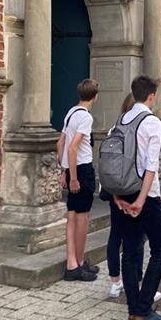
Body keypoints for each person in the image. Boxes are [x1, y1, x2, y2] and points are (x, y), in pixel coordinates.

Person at [113, 75, 161, 320]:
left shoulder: (122, 119)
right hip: (145, 195)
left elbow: (114, 159)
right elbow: (151, 165)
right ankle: (144, 310)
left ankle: (133, 310)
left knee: (130, 251)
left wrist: (118, 195)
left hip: (124, 192)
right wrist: (141, 199)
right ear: (151, 96)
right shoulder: (151, 122)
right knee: (160, 249)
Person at [56, 78, 100, 282]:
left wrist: (63, 169)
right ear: (95, 96)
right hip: (81, 170)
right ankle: (79, 264)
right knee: (82, 217)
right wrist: (73, 178)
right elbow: (72, 147)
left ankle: (71, 262)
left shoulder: (71, 112)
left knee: (72, 216)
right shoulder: (86, 117)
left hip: (72, 168)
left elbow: (61, 143)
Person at [105, 93, 142, 298]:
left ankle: (114, 282)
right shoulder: (138, 129)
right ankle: (136, 282)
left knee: (115, 235)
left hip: (115, 189)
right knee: (136, 239)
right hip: (133, 188)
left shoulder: (114, 128)